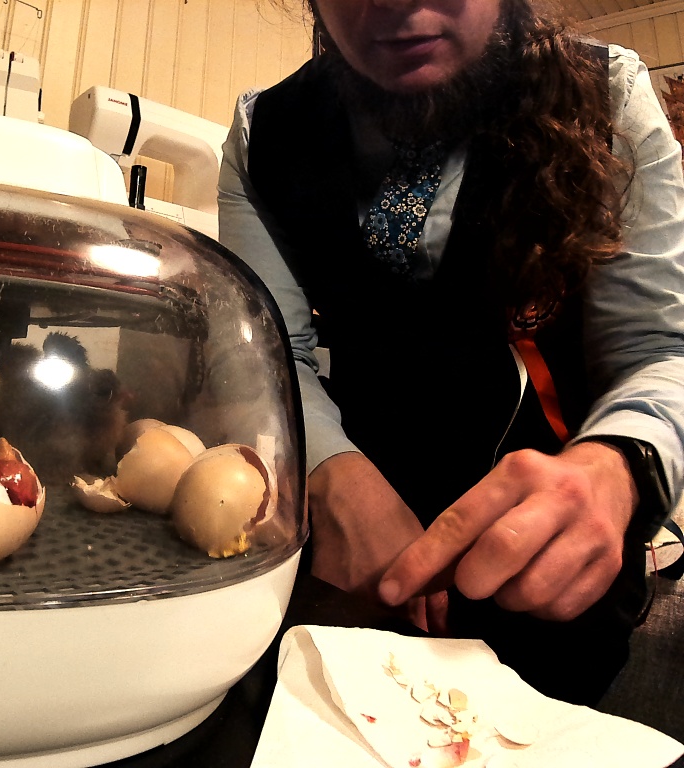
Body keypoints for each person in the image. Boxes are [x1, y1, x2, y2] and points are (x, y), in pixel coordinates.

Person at [218, 0, 684, 705]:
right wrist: (328, 472)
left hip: (553, 592)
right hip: (340, 576)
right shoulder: (264, 132)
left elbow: (659, 348)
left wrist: (619, 467)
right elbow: (262, 351)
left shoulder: (607, 96)